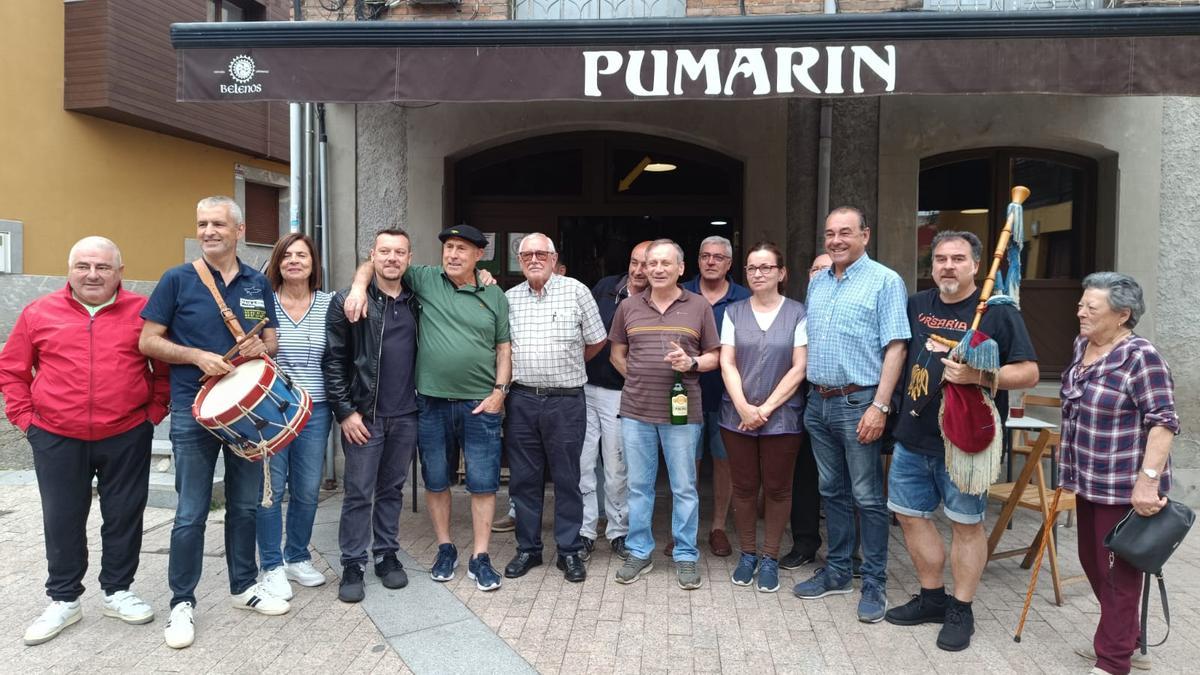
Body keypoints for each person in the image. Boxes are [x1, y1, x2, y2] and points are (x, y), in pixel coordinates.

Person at [0, 237, 169, 646]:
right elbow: (12, 370)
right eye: (83, 266)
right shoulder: (38, 312)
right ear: (70, 270)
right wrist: (27, 421)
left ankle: (117, 591)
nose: (92, 274)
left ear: (119, 272)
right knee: (61, 519)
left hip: (126, 433)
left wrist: (151, 415)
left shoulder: (141, 313)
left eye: (103, 267)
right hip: (57, 436)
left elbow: (163, 371)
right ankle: (64, 599)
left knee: (125, 514)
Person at [139, 196, 286, 650]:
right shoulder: (177, 280)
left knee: (244, 506)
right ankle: (181, 603)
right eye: (202, 223)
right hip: (192, 410)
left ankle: (243, 588)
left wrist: (264, 348)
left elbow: (271, 339)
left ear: (238, 231)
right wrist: (195, 355)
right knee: (190, 512)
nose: (208, 231)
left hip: (244, 411)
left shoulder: (257, 283)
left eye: (218, 224)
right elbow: (148, 341)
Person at [883, 232, 1038, 651]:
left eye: (958, 259)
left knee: (966, 525)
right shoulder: (918, 305)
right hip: (914, 435)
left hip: (966, 441)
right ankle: (932, 597)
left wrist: (981, 376)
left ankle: (961, 607)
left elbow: (1028, 373)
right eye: (940, 259)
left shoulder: (997, 313)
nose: (948, 266)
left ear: (975, 265)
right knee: (911, 516)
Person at [346, 224, 511, 591]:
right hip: (431, 402)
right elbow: (375, 263)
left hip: (480, 403)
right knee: (436, 480)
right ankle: (445, 547)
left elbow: (503, 348)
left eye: (462, 249)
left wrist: (500, 391)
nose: (453, 255)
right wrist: (359, 286)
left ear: (479, 255)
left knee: (483, 485)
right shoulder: (424, 278)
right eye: (449, 247)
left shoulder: (494, 294)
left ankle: (481, 556)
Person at [793, 207, 909, 624]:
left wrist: (881, 405)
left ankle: (874, 581)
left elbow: (896, 347)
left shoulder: (885, 281)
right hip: (819, 401)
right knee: (832, 492)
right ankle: (839, 571)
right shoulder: (819, 283)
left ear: (865, 234)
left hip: (860, 401)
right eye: (829, 234)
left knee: (866, 497)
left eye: (845, 232)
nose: (836, 240)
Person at [1059, 272, 1178, 675]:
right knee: (1092, 562)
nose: (1081, 312)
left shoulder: (1142, 357)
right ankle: (1127, 637)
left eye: (1091, 308)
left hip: (1124, 486)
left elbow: (1163, 421)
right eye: (1081, 304)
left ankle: (1114, 661)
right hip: (1087, 478)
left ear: (1123, 314)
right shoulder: (1084, 345)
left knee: (1117, 573)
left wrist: (1147, 482)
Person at [609, 239, 720, 590]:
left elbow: (715, 356)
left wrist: (691, 363)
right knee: (639, 487)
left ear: (680, 268)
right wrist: (640, 379)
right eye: (651, 263)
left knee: (684, 487)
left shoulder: (699, 306)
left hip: (682, 414)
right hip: (636, 411)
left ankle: (686, 555)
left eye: (664, 263)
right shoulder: (628, 306)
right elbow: (616, 354)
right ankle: (639, 552)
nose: (656, 269)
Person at [501, 234, 607, 583]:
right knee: (524, 479)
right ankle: (528, 549)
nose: (534, 258)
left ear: (553, 257)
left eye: (541, 253)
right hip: (522, 400)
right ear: (519, 259)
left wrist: (565, 364)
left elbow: (596, 341)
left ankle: (569, 550)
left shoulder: (577, 291)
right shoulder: (509, 298)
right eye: (527, 254)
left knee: (567, 478)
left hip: (565, 401)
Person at [324, 229, 419, 603]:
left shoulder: (417, 300)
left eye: (399, 252)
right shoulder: (348, 302)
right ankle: (352, 562)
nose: (391, 258)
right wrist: (346, 413)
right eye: (384, 251)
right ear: (372, 256)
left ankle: (385, 553)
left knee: (392, 490)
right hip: (365, 416)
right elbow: (333, 361)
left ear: (409, 258)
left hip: (406, 414)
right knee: (359, 492)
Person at [718, 242, 808, 593]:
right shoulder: (734, 312)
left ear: (781, 273)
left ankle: (770, 556)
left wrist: (765, 409)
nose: (758, 274)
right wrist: (742, 405)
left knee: (777, 488)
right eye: (752, 268)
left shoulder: (798, 313)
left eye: (766, 267)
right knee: (742, 488)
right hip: (735, 415)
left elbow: (800, 367)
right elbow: (727, 361)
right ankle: (748, 554)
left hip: (782, 418)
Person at [254, 233, 332, 601]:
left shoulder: (329, 304)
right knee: (272, 488)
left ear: (313, 263)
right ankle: (270, 565)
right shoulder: (262, 304)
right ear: (277, 263)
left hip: (315, 410)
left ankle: (297, 557)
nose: (294, 261)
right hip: (271, 410)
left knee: (307, 488)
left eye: (302, 255)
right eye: (287, 255)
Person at [576, 240, 652, 559]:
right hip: (584, 387)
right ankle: (584, 529)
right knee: (583, 462)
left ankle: (619, 530)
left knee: (617, 466)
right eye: (635, 262)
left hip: (622, 393)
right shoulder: (607, 287)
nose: (638, 270)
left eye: (646, 265)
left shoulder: (654, 302)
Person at [680, 235, 750, 557]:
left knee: (724, 463)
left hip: (729, 394)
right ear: (697, 261)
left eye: (718, 257)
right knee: (687, 462)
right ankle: (687, 528)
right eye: (705, 256)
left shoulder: (744, 299)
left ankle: (718, 527)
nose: (711, 261)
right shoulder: (681, 294)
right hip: (686, 392)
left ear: (729, 263)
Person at [781, 253, 831, 570]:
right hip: (802, 403)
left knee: (847, 485)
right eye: (816, 268)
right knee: (805, 478)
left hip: (842, 402)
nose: (822, 274)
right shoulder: (796, 312)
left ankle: (848, 554)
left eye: (828, 269)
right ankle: (804, 544)